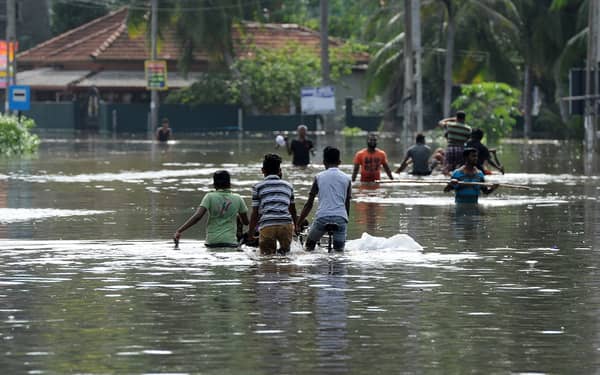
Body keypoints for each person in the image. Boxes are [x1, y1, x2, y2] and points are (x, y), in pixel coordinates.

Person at [296, 147, 352, 252]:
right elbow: (347, 202)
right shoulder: (347, 178)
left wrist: (298, 223)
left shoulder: (318, 177)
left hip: (322, 217)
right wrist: (345, 220)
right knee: (339, 252)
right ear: (339, 162)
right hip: (340, 218)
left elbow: (309, 204)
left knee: (308, 247)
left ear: (324, 162)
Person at [173, 170, 249, 248]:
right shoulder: (238, 198)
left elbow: (198, 216)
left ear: (214, 184)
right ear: (229, 184)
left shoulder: (209, 197)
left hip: (212, 243)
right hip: (230, 243)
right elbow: (246, 222)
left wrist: (179, 231)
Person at [247, 154, 298, 255]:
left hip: (267, 225)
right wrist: (296, 226)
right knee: (285, 256)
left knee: (267, 258)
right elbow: (293, 210)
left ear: (263, 170)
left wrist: (251, 233)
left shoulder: (258, 187)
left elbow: (255, 213)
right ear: (279, 170)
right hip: (286, 225)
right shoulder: (288, 186)